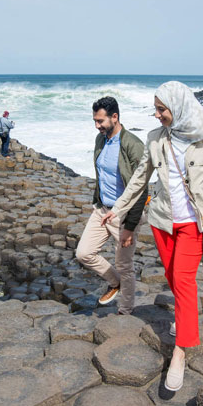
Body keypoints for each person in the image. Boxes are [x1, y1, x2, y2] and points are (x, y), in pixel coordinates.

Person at [101, 81, 203, 392]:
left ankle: (180, 352)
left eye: (161, 109)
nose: (157, 115)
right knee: (172, 277)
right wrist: (119, 206)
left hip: (195, 224)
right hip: (163, 223)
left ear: (178, 108)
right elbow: (141, 177)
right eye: (156, 109)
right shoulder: (155, 139)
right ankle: (182, 323)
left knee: (183, 280)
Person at [75, 97, 148, 315]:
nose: (97, 126)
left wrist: (130, 226)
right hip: (102, 209)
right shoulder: (101, 139)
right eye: (95, 121)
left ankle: (125, 310)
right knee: (84, 253)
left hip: (124, 215)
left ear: (114, 117)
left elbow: (141, 189)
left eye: (100, 121)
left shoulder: (133, 145)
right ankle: (114, 282)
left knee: (125, 265)